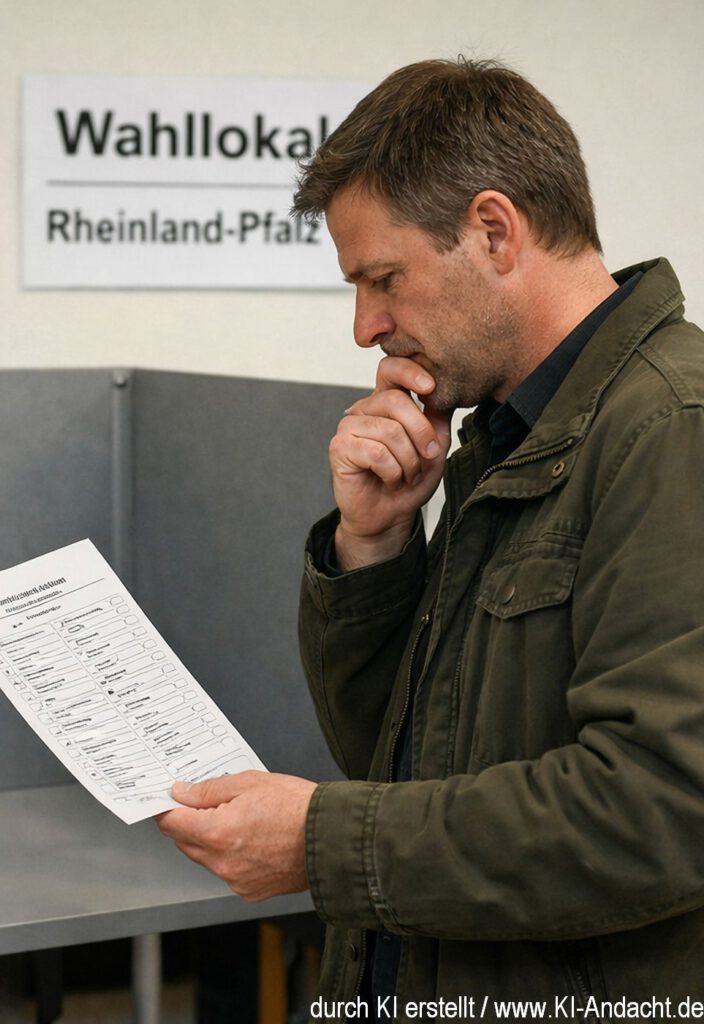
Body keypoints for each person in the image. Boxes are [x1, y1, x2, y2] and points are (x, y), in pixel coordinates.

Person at [155, 56, 704, 1018]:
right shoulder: (510, 429)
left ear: (494, 230)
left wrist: (318, 843)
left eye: (383, 278)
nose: (367, 324)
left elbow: (660, 812)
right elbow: (400, 760)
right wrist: (371, 551)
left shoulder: (670, 428)